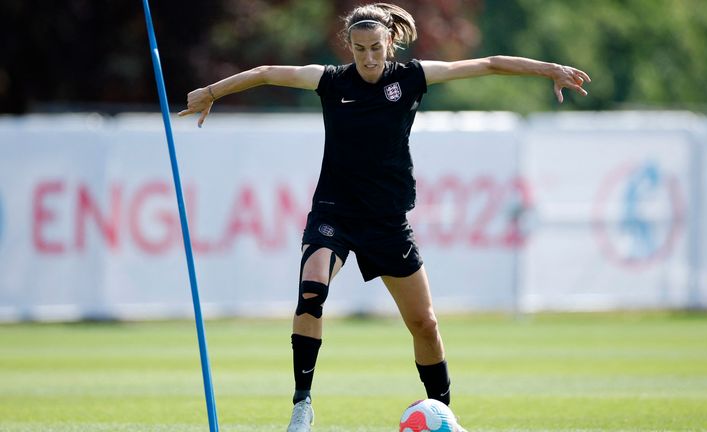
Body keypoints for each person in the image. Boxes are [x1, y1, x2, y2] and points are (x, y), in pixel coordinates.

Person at [179, 3, 590, 431]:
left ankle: (443, 415)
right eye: (360, 50)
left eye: (376, 48)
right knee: (311, 292)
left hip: (387, 221)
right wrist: (211, 92)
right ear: (349, 48)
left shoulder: (411, 77)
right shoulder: (330, 81)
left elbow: (487, 63)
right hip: (334, 213)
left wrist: (549, 69)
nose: (370, 58)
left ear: (389, 42)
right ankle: (302, 405)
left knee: (425, 324)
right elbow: (265, 71)